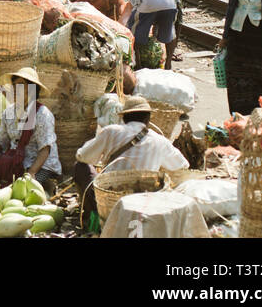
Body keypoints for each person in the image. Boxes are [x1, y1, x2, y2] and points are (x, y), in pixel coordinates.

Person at [73, 95, 188, 223]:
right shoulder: (160, 141)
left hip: (109, 202)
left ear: (124, 117)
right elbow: (182, 165)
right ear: (148, 119)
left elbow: (82, 156)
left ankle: (93, 214)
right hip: (143, 204)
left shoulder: (111, 131)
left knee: (80, 166)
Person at [0, 67, 60, 189]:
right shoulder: (9, 111)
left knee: (26, 186)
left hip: (39, 165)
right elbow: (0, 140)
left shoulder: (42, 114)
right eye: (14, 85)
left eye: (21, 85)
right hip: (14, 160)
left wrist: (31, 173)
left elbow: (45, 149)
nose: (16, 89)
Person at [124, 0, 180, 70]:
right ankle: (168, 64)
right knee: (170, 33)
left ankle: (138, 65)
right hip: (170, 3)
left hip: (149, 2)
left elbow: (134, 1)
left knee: (132, 31)